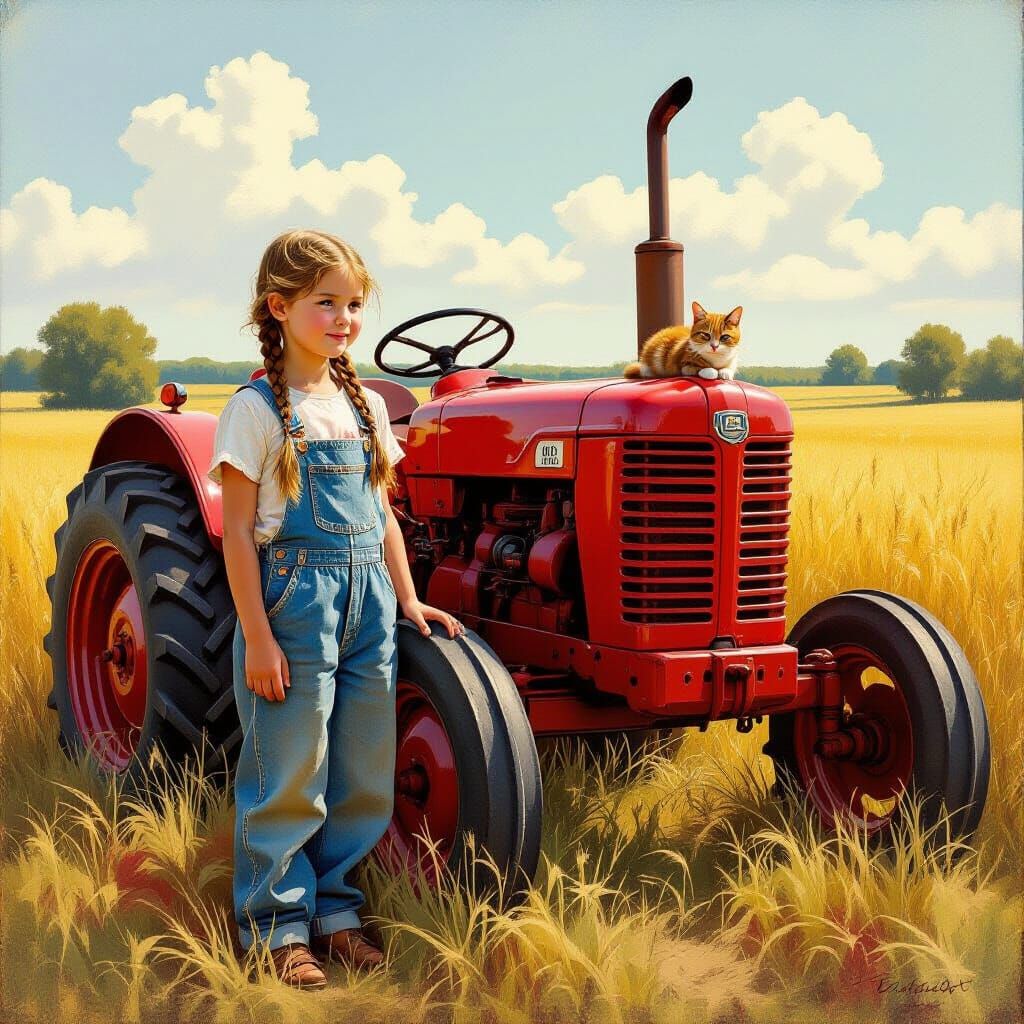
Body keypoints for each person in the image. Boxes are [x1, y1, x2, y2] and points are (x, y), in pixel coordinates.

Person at [208, 228, 465, 989]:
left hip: (368, 601)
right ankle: (275, 926)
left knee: (359, 770)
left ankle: (336, 913)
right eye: (327, 302)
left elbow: (382, 514)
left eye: (354, 303)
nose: (345, 317)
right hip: (293, 602)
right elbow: (237, 540)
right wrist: (257, 636)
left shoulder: (362, 407)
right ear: (279, 307)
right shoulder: (256, 410)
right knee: (290, 767)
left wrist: (409, 597)